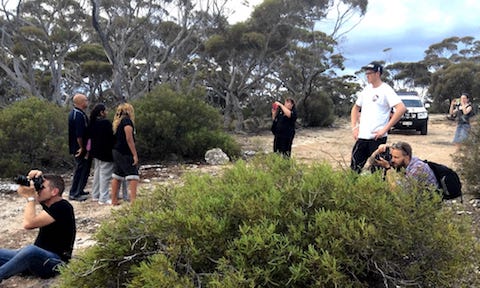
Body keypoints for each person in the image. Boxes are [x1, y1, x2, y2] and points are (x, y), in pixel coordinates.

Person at [0, 170, 76, 282]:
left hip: (55, 262)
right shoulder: (49, 204)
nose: (38, 190)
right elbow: (28, 192)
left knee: (30, 250)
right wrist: (31, 180)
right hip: (37, 258)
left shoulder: (63, 207)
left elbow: (28, 224)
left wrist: (30, 198)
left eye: (42, 187)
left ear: (54, 191)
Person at [350, 62, 406, 173]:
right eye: (366, 73)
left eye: (370, 73)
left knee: (378, 173)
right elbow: (355, 108)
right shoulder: (366, 90)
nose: (367, 75)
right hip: (362, 138)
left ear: (378, 73)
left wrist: (385, 129)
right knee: (354, 170)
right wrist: (354, 127)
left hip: (377, 140)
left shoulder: (386, 90)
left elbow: (401, 108)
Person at [367, 142, 438, 188]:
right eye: (392, 156)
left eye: (396, 157)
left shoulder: (417, 168)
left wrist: (388, 168)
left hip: (425, 203)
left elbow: (397, 191)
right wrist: (378, 151)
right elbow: (372, 161)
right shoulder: (402, 162)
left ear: (407, 157)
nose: (392, 160)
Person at [111, 103, 139, 205]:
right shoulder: (127, 121)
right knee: (133, 175)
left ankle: (114, 200)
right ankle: (134, 201)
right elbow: (129, 138)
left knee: (117, 175)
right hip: (125, 152)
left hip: (116, 151)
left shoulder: (117, 123)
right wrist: (134, 154)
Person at [89, 103, 115, 205]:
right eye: (106, 110)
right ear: (101, 112)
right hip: (106, 153)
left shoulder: (92, 122)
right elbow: (112, 137)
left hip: (96, 152)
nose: (107, 112)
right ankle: (103, 198)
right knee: (105, 175)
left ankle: (95, 195)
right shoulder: (106, 123)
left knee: (97, 173)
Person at [68, 93, 92, 201]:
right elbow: (79, 135)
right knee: (80, 169)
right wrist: (82, 147)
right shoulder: (77, 115)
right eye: (85, 100)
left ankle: (80, 189)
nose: (87, 102)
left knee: (85, 169)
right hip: (79, 148)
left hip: (85, 147)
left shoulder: (80, 114)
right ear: (80, 102)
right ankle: (74, 193)